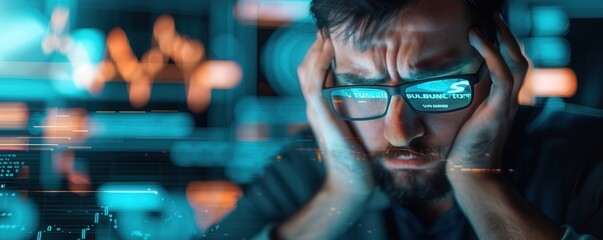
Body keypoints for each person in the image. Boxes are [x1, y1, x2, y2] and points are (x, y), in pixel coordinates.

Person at [201, 0, 603, 239]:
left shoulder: (589, 158)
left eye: (438, 88)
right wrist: (340, 195)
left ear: (502, 69)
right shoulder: (304, 171)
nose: (399, 133)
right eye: (361, 90)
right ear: (320, 80)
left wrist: (479, 180)